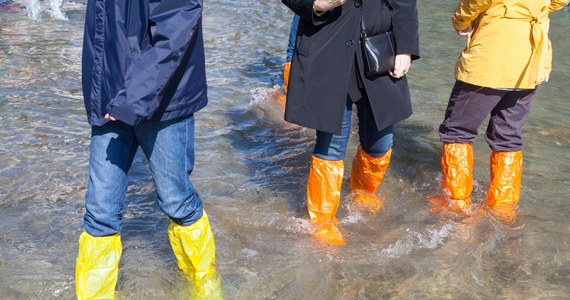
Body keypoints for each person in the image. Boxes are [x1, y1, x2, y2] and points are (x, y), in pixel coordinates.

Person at [75, 0, 222, 299]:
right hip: (109, 97)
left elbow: (176, 30)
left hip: (163, 102)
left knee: (176, 201)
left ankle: (204, 285)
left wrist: (132, 99)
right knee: (99, 213)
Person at [281, 0, 420, 245]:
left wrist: (405, 48)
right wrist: (315, 5)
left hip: (378, 49)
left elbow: (405, 3)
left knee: (381, 142)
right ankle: (322, 222)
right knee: (331, 143)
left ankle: (362, 193)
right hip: (326, 49)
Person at [436, 0, 568, 224]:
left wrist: (460, 21)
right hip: (531, 60)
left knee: (457, 131)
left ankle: (456, 203)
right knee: (508, 135)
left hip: (493, 55)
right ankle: (503, 207)